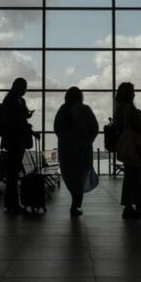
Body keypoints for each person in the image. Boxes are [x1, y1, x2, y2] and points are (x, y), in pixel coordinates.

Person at [53, 86, 99, 216]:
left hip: (65, 149)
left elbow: (56, 128)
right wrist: (88, 140)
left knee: (70, 176)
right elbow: (94, 128)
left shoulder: (63, 110)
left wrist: (65, 139)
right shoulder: (85, 109)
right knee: (80, 176)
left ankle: (75, 203)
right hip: (82, 149)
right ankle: (76, 205)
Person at [1, 77, 38, 214]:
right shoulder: (16, 101)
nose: (25, 90)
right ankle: (13, 203)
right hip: (16, 140)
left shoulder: (11, 100)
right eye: (24, 87)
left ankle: (12, 203)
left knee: (13, 173)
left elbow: (17, 119)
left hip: (15, 140)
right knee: (13, 173)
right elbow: (19, 120)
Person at [114, 82, 141, 219]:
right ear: (128, 93)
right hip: (133, 145)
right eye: (132, 91)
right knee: (135, 176)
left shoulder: (118, 108)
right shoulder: (129, 109)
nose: (134, 94)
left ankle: (129, 205)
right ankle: (131, 206)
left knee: (130, 177)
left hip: (125, 144)